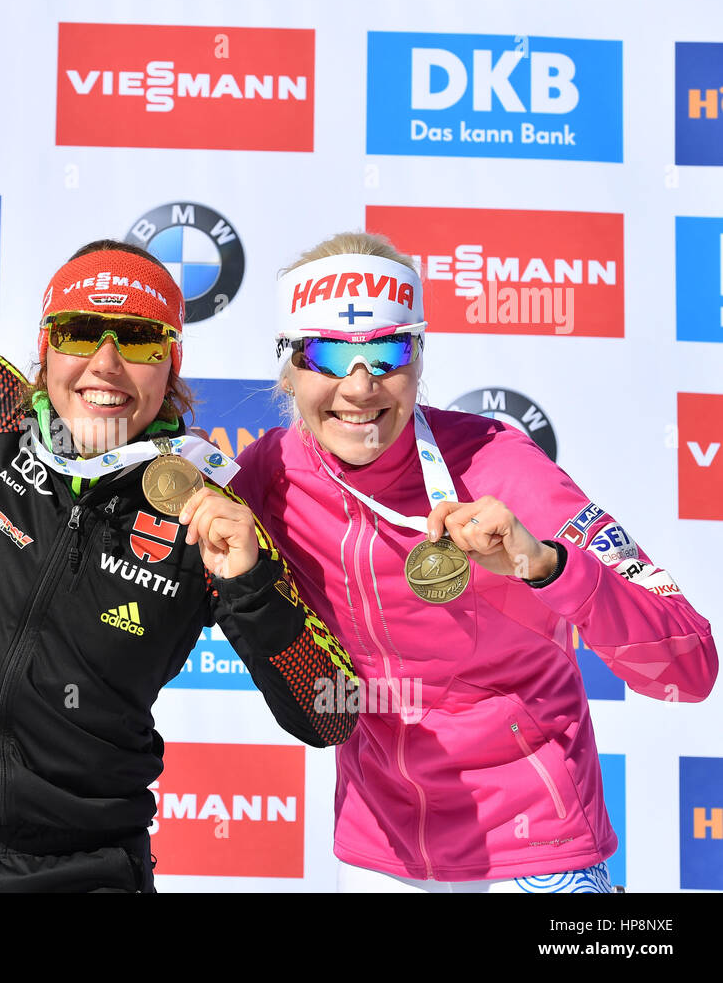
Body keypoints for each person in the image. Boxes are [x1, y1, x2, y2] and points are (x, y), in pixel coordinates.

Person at [0, 2, 357, 892]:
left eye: (137, 341)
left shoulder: (210, 506)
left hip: (91, 870)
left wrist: (252, 587)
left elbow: (331, 714)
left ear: (171, 366)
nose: (105, 365)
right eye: (79, 332)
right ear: (45, 349)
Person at [231, 231, 718, 892]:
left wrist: (545, 564)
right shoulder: (271, 473)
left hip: (535, 846)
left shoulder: (500, 465)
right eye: (328, 353)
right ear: (289, 367)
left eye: (387, 351)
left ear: (420, 357)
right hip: (383, 852)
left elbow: (687, 669)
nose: (360, 385)